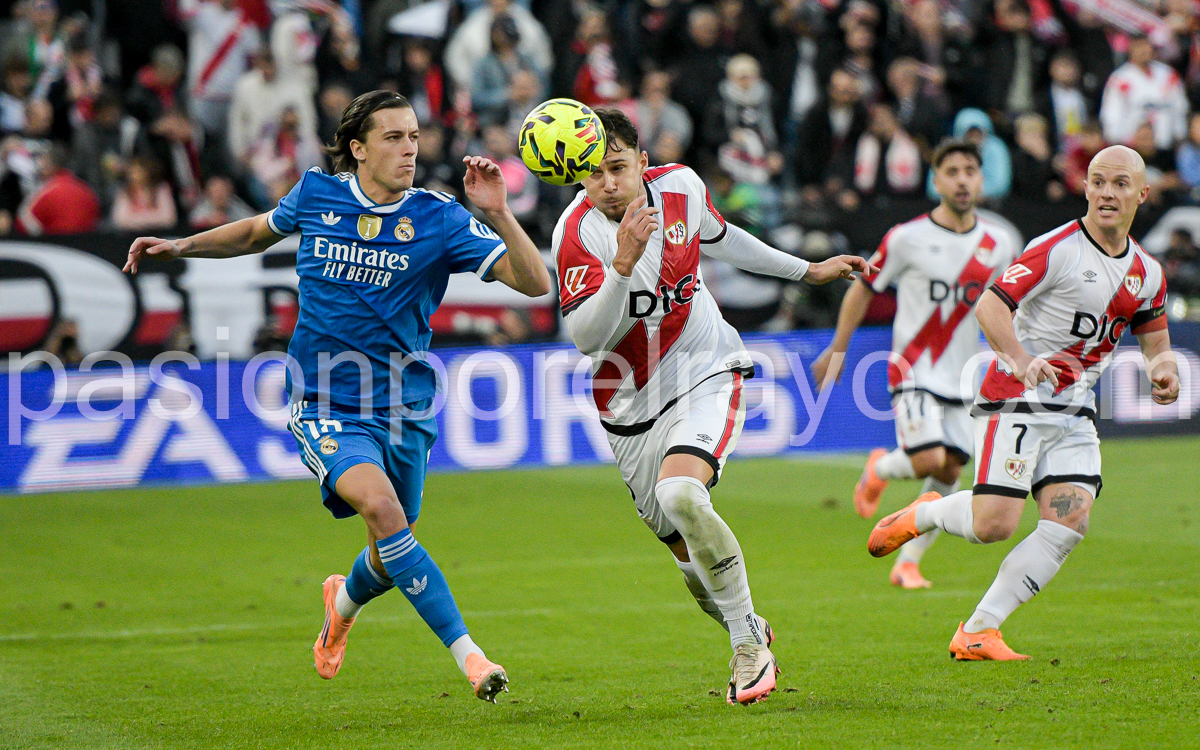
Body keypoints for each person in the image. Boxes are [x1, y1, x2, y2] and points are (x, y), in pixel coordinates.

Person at [123, 90, 551, 700]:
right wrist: (183, 245)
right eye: (394, 137)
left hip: (404, 407)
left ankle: (341, 604)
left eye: (414, 136)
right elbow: (254, 232)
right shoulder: (318, 195)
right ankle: (472, 658)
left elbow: (535, 284)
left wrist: (500, 214)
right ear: (358, 148)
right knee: (383, 513)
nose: (410, 149)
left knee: (391, 541)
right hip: (324, 402)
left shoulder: (440, 217)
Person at [552, 108, 873, 704]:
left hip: (705, 368)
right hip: (627, 402)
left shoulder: (681, 187)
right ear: (577, 178)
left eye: (618, 168)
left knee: (682, 494)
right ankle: (744, 623)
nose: (608, 184)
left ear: (642, 164)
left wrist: (807, 270)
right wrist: (621, 266)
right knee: (685, 555)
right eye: (593, 174)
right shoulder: (575, 236)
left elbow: (725, 241)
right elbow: (588, 339)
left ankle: (749, 648)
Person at [867, 145, 1179, 660]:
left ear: (1142, 195)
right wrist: (1018, 356)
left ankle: (978, 630)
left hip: (1075, 408)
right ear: (1085, 187)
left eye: (1120, 183)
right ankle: (927, 511)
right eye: (1098, 181)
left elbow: (1156, 342)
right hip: (1017, 397)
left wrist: (1163, 372)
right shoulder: (1057, 248)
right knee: (994, 526)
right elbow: (991, 305)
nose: (1106, 192)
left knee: (1069, 522)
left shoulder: (1148, 272)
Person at [812, 138, 1017, 589]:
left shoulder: (999, 243)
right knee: (927, 459)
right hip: (914, 368)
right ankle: (880, 467)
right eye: (952, 171)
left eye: (969, 171)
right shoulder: (907, 237)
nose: (962, 179)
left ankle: (907, 563)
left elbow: (1008, 306)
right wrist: (838, 348)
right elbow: (864, 286)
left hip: (964, 375)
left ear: (981, 180)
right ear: (936, 180)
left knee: (950, 470)